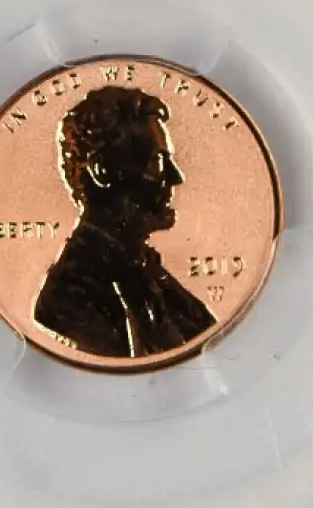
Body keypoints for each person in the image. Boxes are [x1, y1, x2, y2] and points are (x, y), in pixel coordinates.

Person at [33, 86, 215, 359]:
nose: (175, 177)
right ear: (102, 169)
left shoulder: (147, 272)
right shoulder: (67, 299)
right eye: (157, 161)